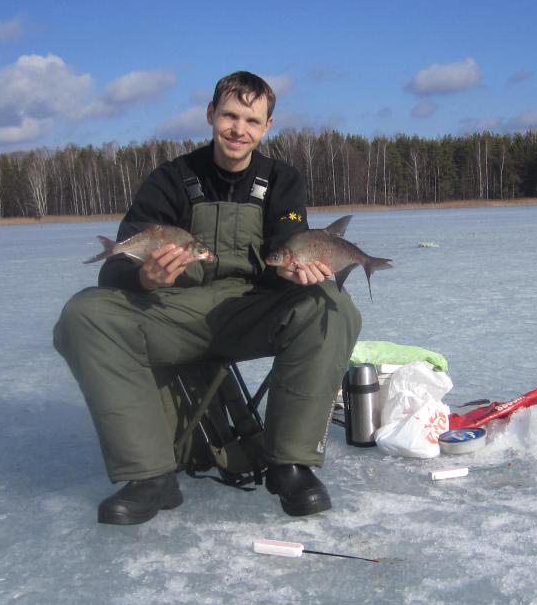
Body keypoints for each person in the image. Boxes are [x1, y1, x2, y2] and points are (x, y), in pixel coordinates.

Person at [54, 71, 362, 525]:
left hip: (249, 311)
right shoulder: (171, 179)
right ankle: (149, 477)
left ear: (267, 126)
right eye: (230, 116)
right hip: (175, 313)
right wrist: (146, 277)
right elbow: (114, 269)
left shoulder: (282, 180)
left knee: (331, 306)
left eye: (252, 121)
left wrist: (297, 275)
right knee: (84, 314)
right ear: (211, 114)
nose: (239, 129)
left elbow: (286, 248)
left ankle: (290, 465)